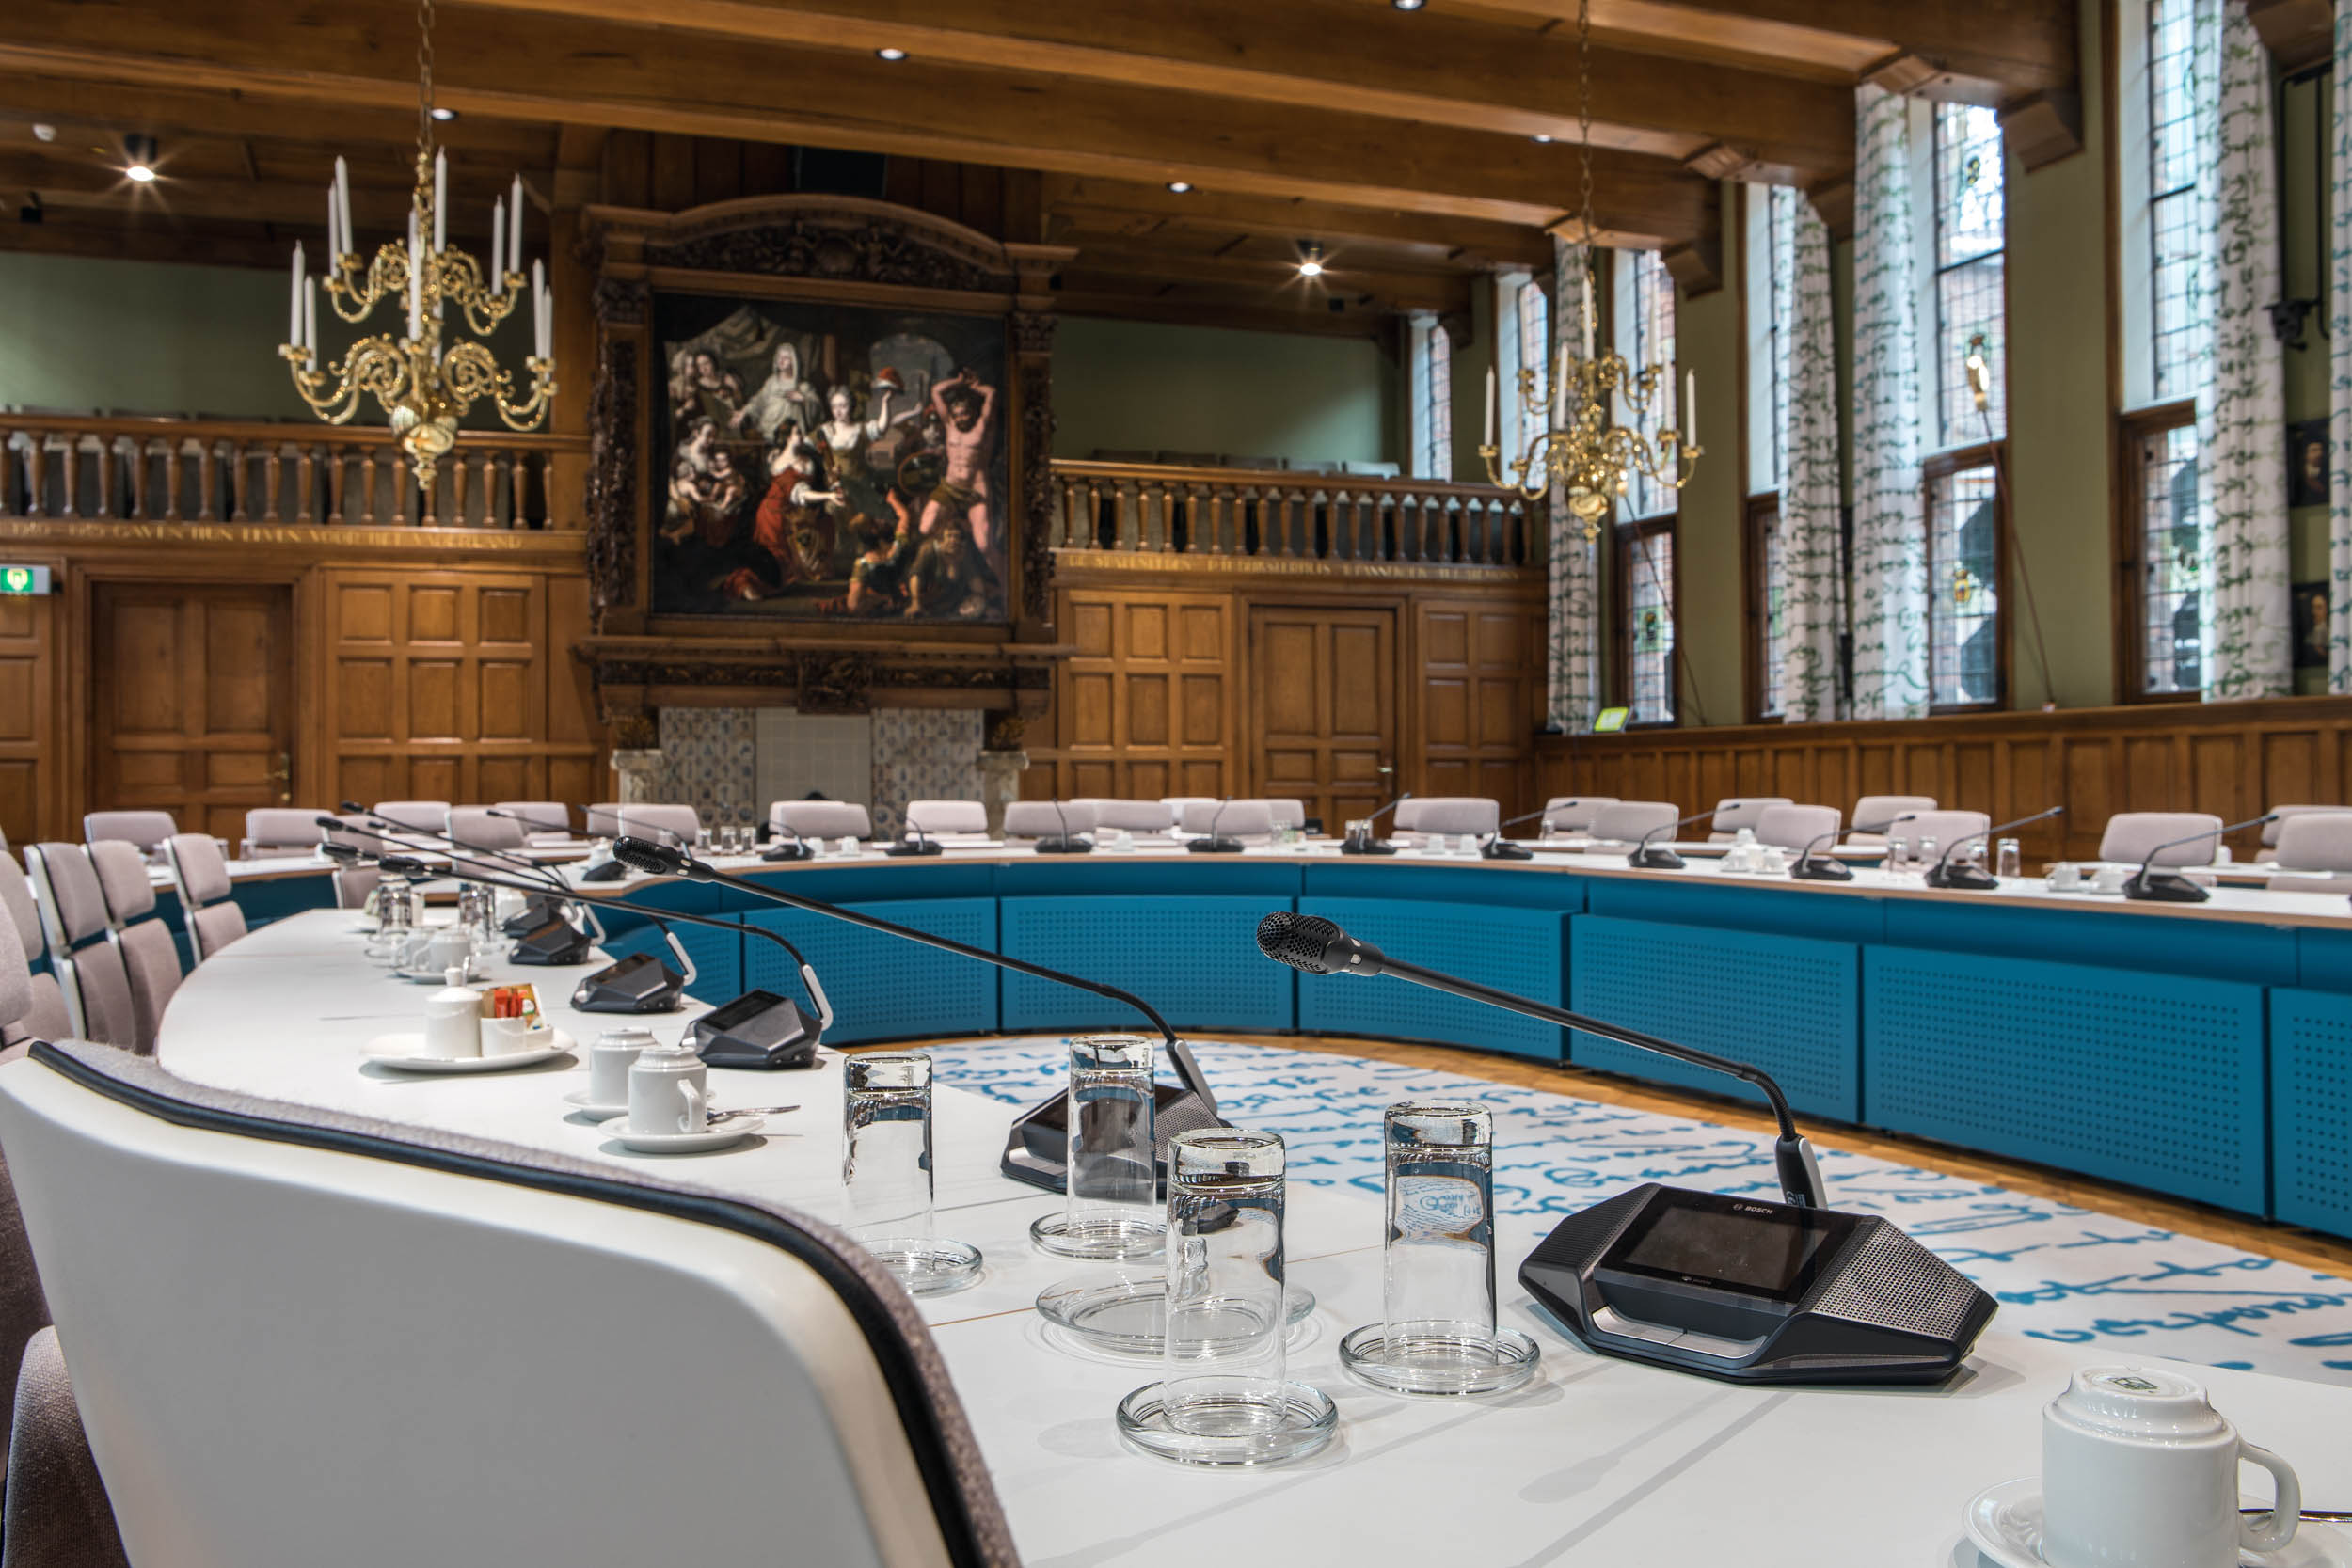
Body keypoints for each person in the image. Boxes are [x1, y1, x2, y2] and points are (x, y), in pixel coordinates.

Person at [916, 369, 999, 554]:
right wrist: (959, 381)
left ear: (971, 413)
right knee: (925, 527)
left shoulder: (980, 428)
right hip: (950, 488)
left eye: (964, 413)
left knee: (983, 543)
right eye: (957, 414)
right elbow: (936, 391)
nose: (961, 418)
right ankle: (943, 555)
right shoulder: (950, 426)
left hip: (974, 490)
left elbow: (991, 393)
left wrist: (975, 387)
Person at [904, 513, 1000, 620]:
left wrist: (983, 604)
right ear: (941, 539)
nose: (953, 540)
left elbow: (973, 578)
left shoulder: (962, 552)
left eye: (956, 536)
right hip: (927, 598)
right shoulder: (929, 549)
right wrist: (915, 602)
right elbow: (916, 575)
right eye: (949, 536)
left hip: (953, 602)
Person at [732, 342, 820, 443]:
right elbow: (758, 401)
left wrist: (803, 399)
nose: (781, 361)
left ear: (794, 361)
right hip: (769, 431)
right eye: (779, 357)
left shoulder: (803, 386)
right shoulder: (771, 382)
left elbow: (817, 408)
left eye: (786, 358)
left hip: (792, 435)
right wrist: (744, 412)